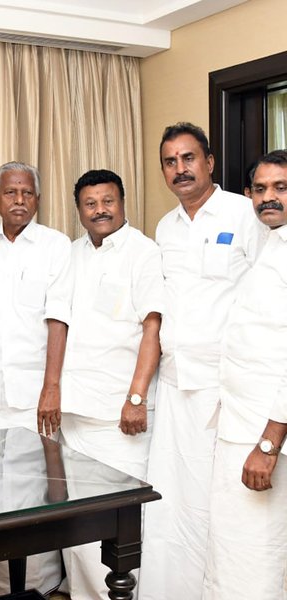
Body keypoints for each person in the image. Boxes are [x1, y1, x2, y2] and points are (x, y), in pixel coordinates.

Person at [138, 123, 266, 600]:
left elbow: (267, 297)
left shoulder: (245, 212)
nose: (180, 169)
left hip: (226, 388)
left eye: (188, 158)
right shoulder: (165, 227)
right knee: (174, 504)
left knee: (223, 505)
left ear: (209, 162)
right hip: (174, 388)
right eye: (170, 161)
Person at [0, 161, 71, 596]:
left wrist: (52, 386)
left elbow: (58, 318)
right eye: (10, 193)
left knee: (33, 493)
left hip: (34, 397)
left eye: (27, 193)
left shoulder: (56, 246)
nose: (19, 200)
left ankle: (40, 586)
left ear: (38, 200)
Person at [58, 169, 163, 599]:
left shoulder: (144, 252)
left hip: (121, 418)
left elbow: (152, 328)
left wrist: (136, 397)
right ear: (79, 210)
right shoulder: (73, 253)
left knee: (120, 527)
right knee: (78, 525)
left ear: (123, 202)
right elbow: (60, 323)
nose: (100, 209)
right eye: (90, 203)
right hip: (75, 412)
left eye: (108, 201)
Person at [202, 150, 287, 599]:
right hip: (239, 425)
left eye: (280, 188)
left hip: (266, 436)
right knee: (232, 550)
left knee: (256, 554)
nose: (268, 198)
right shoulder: (269, 242)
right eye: (259, 188)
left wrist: (269, 443)